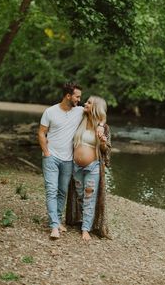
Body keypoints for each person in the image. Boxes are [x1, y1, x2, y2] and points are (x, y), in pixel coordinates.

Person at [38, 83, 105, 239]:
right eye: (77, 97)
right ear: (68, 96)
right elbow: (41, 133)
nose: (80, 100)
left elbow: (101, 113)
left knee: (62, 191)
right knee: (51, 190)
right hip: (51, 157)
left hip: (69, 161)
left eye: (82, 98)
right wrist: (46, 153)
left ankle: (61, 221)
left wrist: (101, 125)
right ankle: (54, 225)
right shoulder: (50, 112)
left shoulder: (80, 111)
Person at [66, 96, 111, 241]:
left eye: (89, 102)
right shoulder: (80, 119)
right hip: (76, 166)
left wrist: (103, 141)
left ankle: (86, 229)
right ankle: (81, 221)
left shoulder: (103, 127)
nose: (85, 103)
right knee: (80, 195)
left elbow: (105, 150)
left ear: (96, 107)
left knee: (89, 196)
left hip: (93, 167)